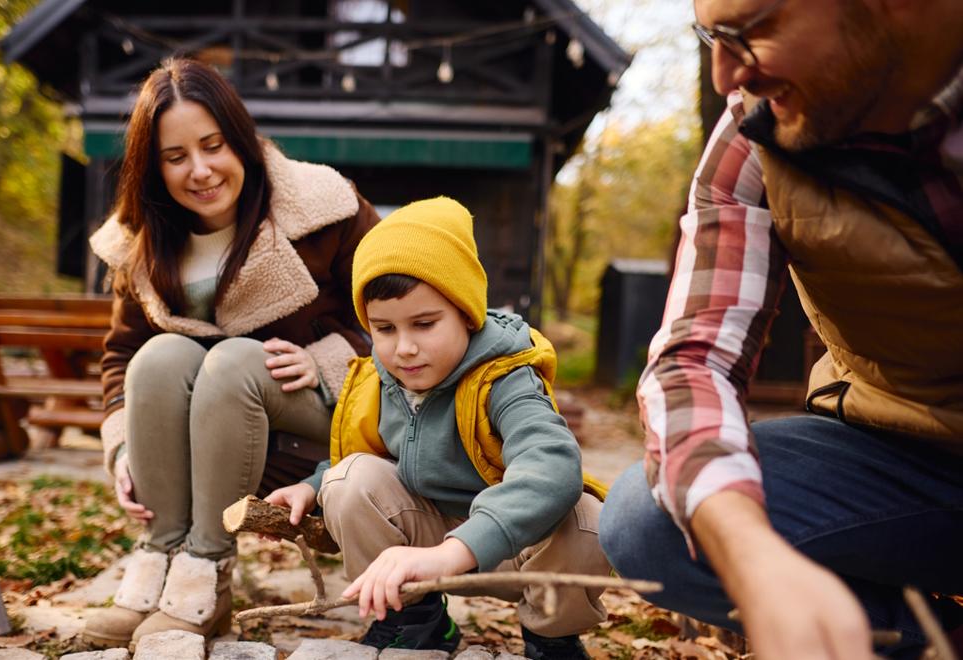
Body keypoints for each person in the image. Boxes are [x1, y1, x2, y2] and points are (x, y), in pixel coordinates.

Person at [598, 1, 963, 658]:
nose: (723, 75)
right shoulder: (754, 134)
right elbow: (693, 360)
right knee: (646, 521)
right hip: (907, 458)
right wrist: (751, 554)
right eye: (711, 37)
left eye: (753, 29)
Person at [82, 57, 379, 649]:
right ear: (153, 166)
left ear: (239, 139)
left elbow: (397, 312)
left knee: (234, 360)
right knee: (160, 357)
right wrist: (121, 449)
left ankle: (207, 572)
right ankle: (164, 562)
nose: (200, 170)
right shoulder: (142, 243)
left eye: (213, 145)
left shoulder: (326, 209)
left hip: (313, 431)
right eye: (175, 157)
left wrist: (328, 359)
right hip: (199, 440)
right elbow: (121, 357)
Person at [266, 197, 612, 659]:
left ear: (467, 313)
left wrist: (456, 551)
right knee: (347, 479)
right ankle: (413, 620)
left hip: (516, 549)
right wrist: (311, 487)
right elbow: (373, 455)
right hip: (420, 544)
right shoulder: (383, 380)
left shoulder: (505, 377)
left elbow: (552, 467)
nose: (404, 348)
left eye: (424, 324)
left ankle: (551, 636)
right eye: (384, 329)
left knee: (587, 520)